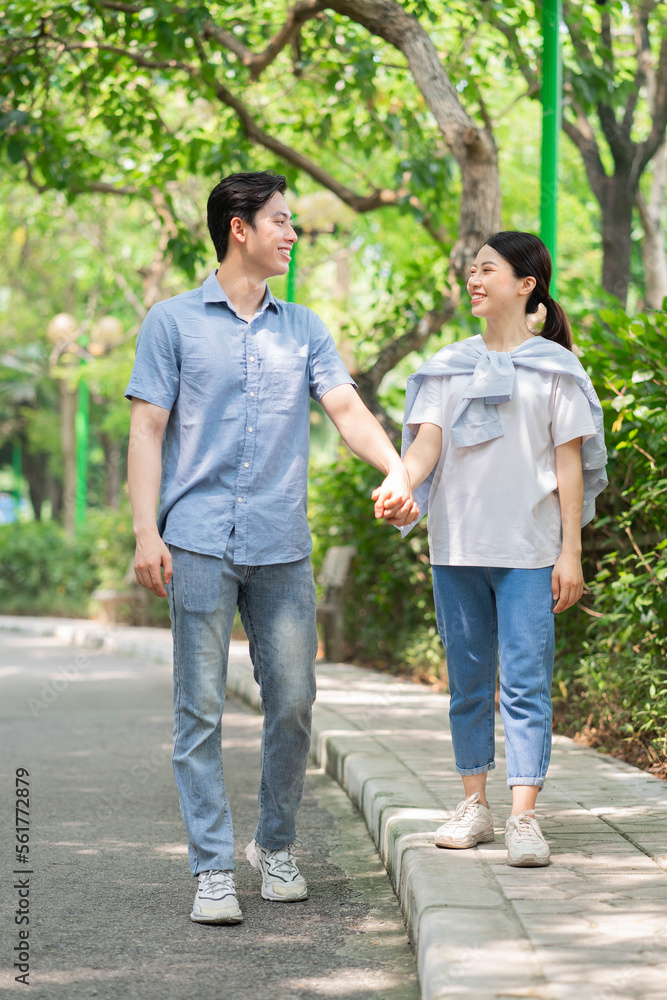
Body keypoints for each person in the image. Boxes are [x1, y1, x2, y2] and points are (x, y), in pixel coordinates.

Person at [125, 171, 417, 924]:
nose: (292, 234)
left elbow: (346, 407)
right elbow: (148, 430)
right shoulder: (172, 322)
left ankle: (275, 846)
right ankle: (213, 867)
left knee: (291, 703)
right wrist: (145, 532)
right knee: (201, 710)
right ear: (239, 229)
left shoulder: (304, 328)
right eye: (281, 221)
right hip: (194, 542)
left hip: (281, 544)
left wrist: (398, 470)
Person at [379, 232, 607, 867]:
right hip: (456, 548)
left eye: (488, 270)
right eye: (472, 271)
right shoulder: (447, 367)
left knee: (527, 684)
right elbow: (426, 446)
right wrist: (400, 482)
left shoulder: (557, 369)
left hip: (531, 551)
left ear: (525, 283)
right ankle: (474, 805)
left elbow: (570, 467)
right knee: (468, 684)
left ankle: (524, 817)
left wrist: (572, 554)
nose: (474, 280)